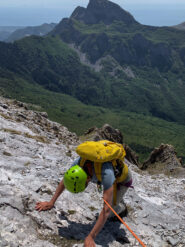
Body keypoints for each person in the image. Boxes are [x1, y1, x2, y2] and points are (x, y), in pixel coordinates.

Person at [36, 148, 133, 247]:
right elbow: (65, 181)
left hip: (122, 180)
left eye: (86, 184)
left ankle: (122, 207)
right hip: (109, 179)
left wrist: (91, 237)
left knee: (111, 213)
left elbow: (106, 209)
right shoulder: (78, 164)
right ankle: (115, 197)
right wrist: (51, 202)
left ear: (88, 178)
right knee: (110, 199)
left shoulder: (106, 173)